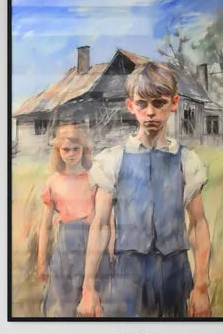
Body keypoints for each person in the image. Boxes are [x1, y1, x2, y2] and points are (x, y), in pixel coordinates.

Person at [77, 61, 211, 318]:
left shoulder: (187, 161)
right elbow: (101, 225)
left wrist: (202, 286)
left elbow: (198, 224)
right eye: (142, 104)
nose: (150, 112)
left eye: (159, 103)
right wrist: (88, 288)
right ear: (131, 106)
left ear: (173, 103)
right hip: (129, 274)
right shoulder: (112, 160)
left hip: (175, 272)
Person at [37, 124, 110, 317]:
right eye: (65, 149)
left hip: (91, 246)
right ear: (58, 151)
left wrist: (111, 251)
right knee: (61, 304)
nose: (71, 154)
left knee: (94, 303)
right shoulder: (54, 181)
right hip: (65, 249)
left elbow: (106, 221)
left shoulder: (94, 178)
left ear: (84, 149)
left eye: (75, 149)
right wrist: (41, 260)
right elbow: (45, 225)